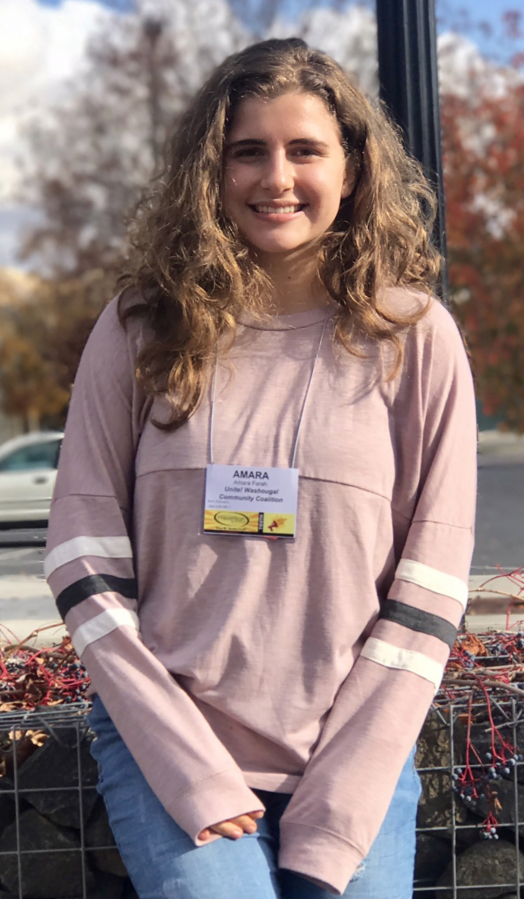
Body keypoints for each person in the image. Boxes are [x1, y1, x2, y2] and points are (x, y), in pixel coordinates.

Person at [45, 37, 477, 899]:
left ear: (351, 170)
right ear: (213, 170)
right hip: (173, 752)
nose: (276, 178)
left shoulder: (414, 338)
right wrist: (186, 765)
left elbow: (429, 587)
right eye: (249, 151)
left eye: (305, 150)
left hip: (353, 755)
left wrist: (344, 793)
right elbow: (83, 559)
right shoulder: (141, 328)